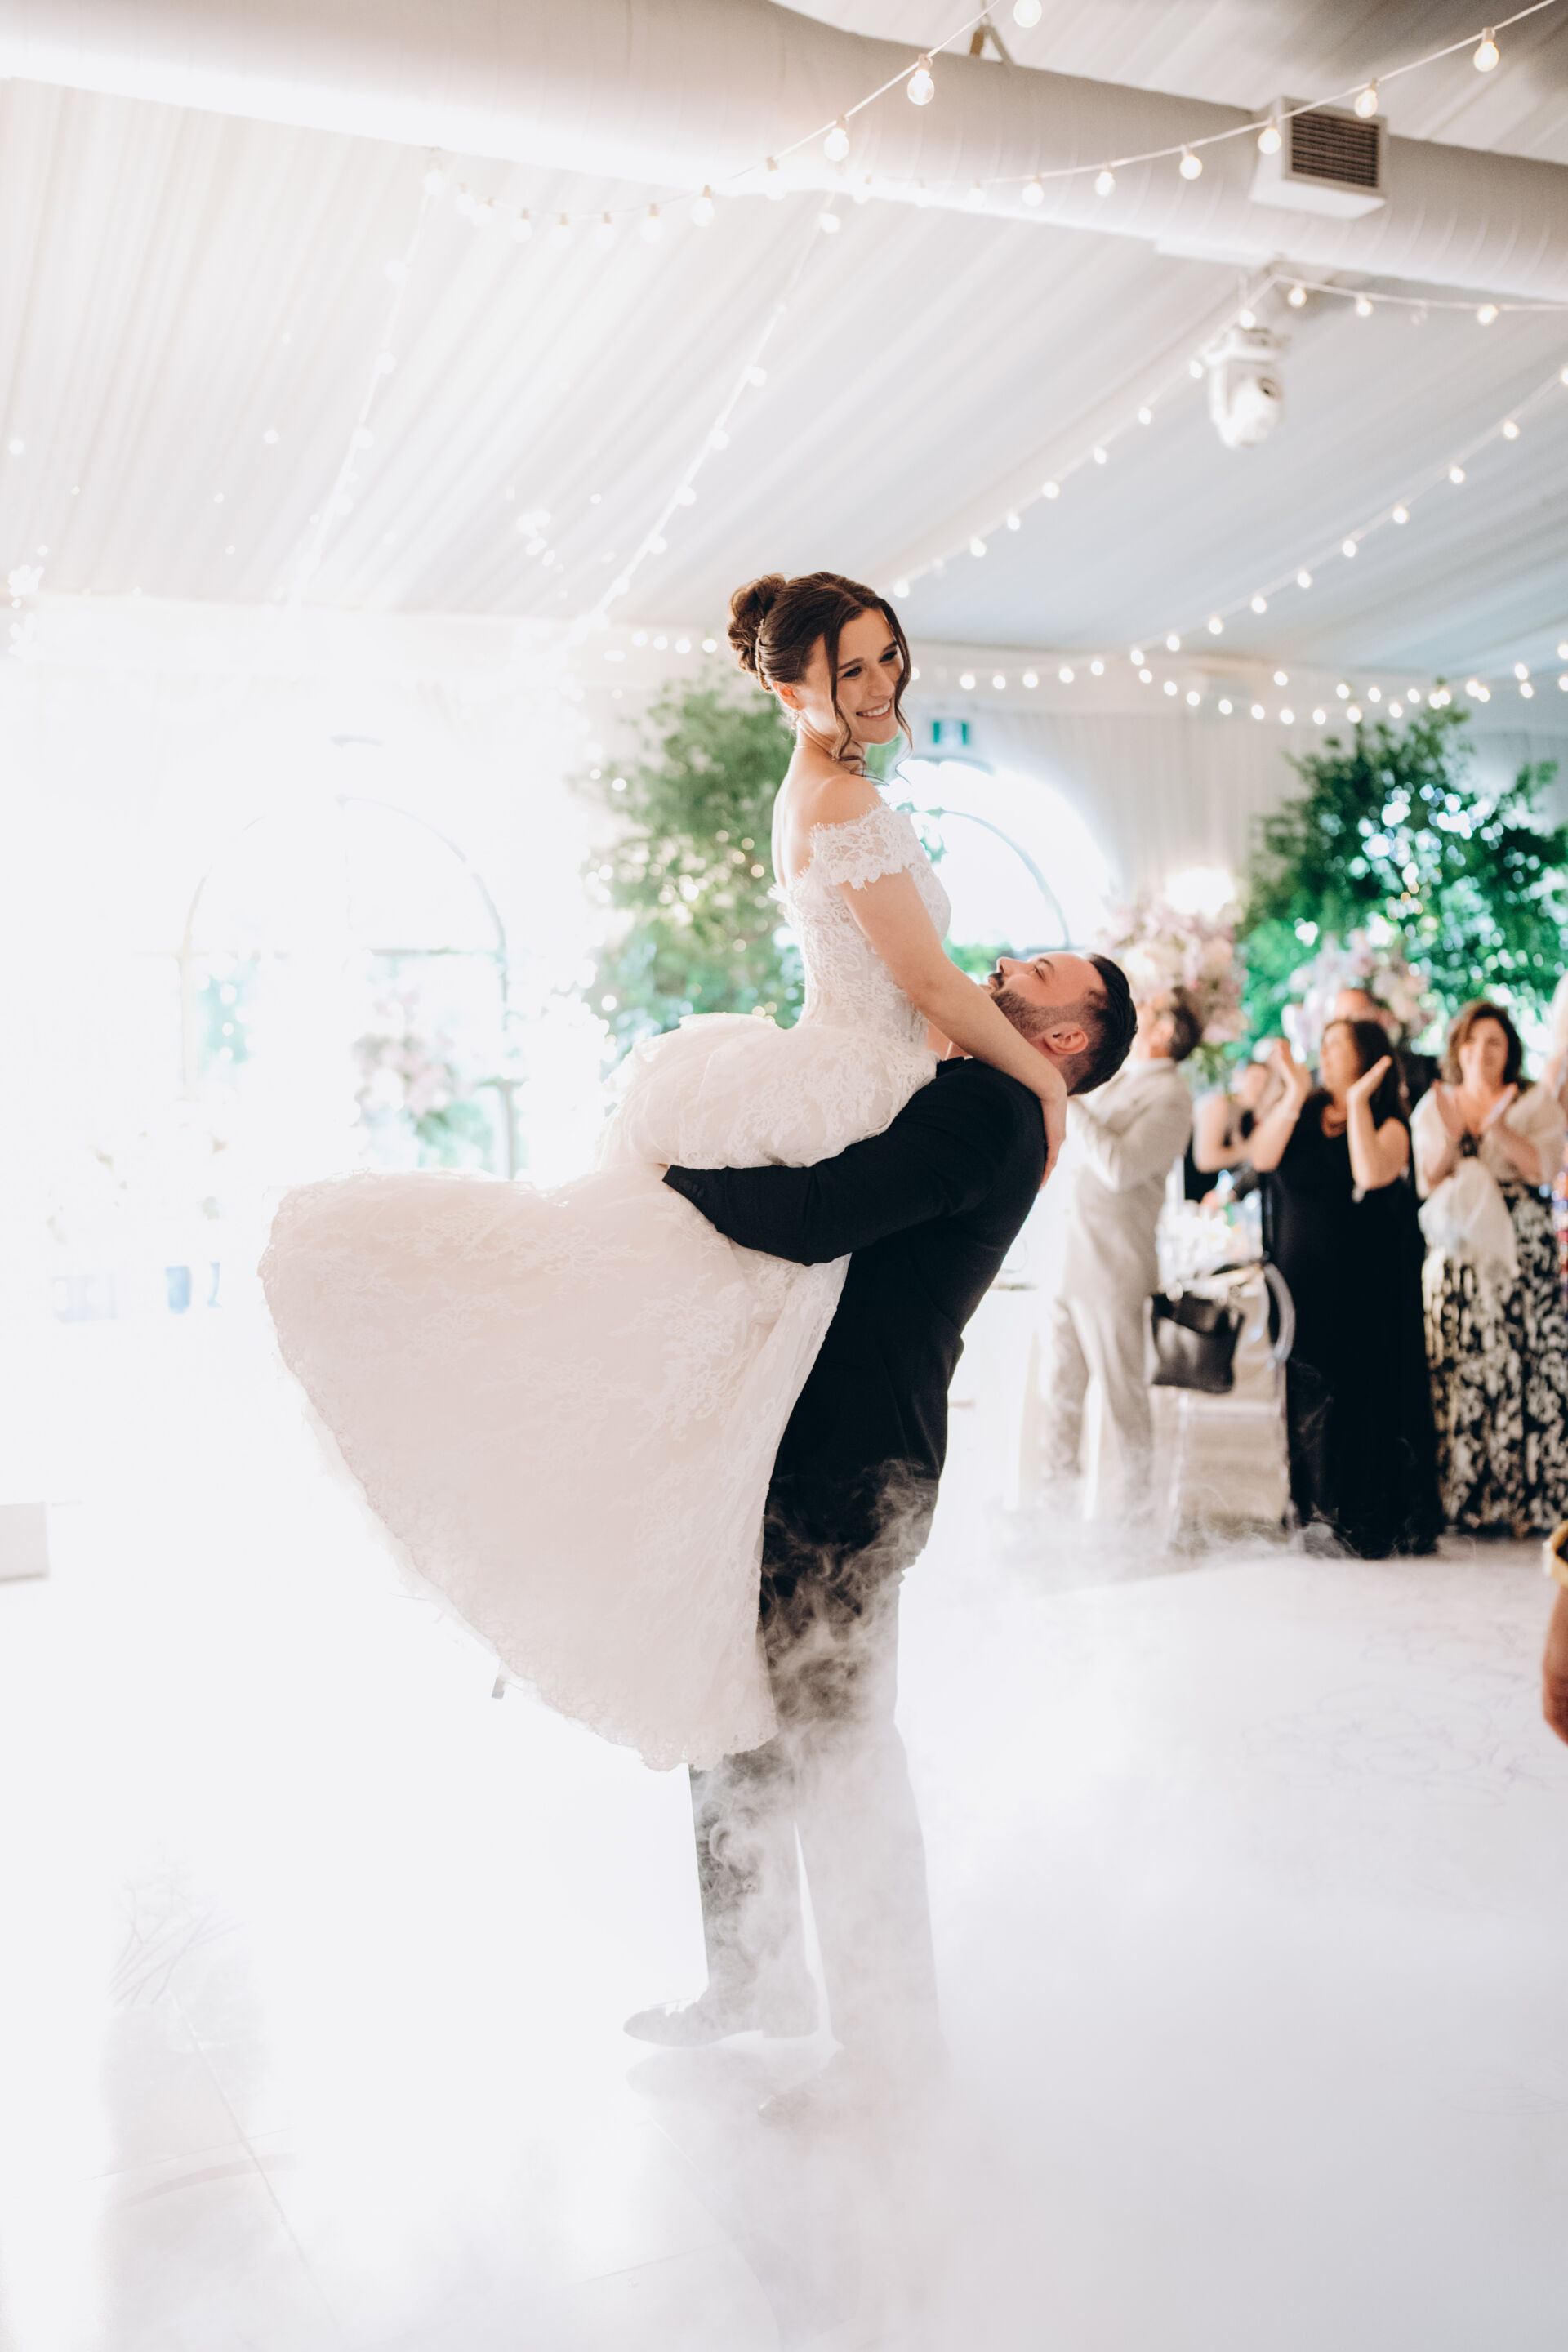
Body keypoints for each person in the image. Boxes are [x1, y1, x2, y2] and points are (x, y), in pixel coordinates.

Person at [261, 571, 1107, 1771]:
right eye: (850, 669)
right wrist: (1046, 1084)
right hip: (854, 1070)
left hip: (861, 1080)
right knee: (735, 1310)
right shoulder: (848, 803)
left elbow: (923, 987)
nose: (881, 684)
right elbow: (926, 982)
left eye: (887, 657)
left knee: (732, 1351)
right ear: (790, 688)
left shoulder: (826, 788)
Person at [626, 950, 1135, 2093]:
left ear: (1068, 1037)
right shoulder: (971, 1087)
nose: (1004, 964)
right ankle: (752, 1977)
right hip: (783, 1445)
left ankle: (893, 2055)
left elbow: (818, 1216)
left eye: (1040, 969)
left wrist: (671, 1182)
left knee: (841, 1757)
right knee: (729, 1717)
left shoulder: (992, 1110)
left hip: (852, 1468)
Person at [1249, 1021, 1440, 1557]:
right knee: (1306, 1396)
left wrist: (1356, 1104)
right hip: (1298, 1285)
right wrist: (1293, 1092)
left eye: (1338, 1044)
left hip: (1361, 1288)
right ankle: (1312, 1514)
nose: (1325, 1052)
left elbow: (1370, 1171)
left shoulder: (1390, 1123)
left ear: (1366, 1056)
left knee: (1356, 1397)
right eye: (1325, 1043)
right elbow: (1262, 1158)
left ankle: (1360, 1520)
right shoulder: (1304, 1110)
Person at [1039, 986, 1198, 1517]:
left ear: (1164, 1031)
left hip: (1115, 1267)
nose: (1136, 1012)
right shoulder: (1120, 1078)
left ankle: (1134, 1519)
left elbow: (1120, 1167)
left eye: (1148, 1009)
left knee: (1122, 1399)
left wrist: (1066, 1098)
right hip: (1069, 1257)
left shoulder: (1171, 1096)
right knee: (1059, 1394)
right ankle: (1054, 1512)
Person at [1413, 1000, 1568, 1537]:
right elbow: (1426, 1180)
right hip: (1459, 1254)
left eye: (1494, 1042)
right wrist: (1456, 1136)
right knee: (1459, 1369)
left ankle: (1524, 1498)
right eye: (1472, 1042)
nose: (1482, 1052)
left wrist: (1499, 1129)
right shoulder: (1437, 1104)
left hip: (1520, 1252)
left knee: (1524, 1366)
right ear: (1458, 1049)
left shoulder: (1535, 1102)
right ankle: (1462, 1495)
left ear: (1510, 1050)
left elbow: (1545, 1171)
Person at [1331, 984, 1438, 1111]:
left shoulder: (1421, 1068)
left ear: (1377, 1016)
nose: (1344, 1029)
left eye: (1353, 1018)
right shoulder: (1326, 1079)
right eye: (1339, 1021)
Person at [1191, 1049, 1279, 1201]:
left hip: (1211, 1194)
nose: (1260, 1088)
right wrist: (1251, 1149)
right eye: (1255, 1080)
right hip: (1189, 1186)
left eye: (1265, 1083)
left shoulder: (1249, 1117)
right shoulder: (1218, 1105)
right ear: (1240, 1077)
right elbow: (1206, 1161)